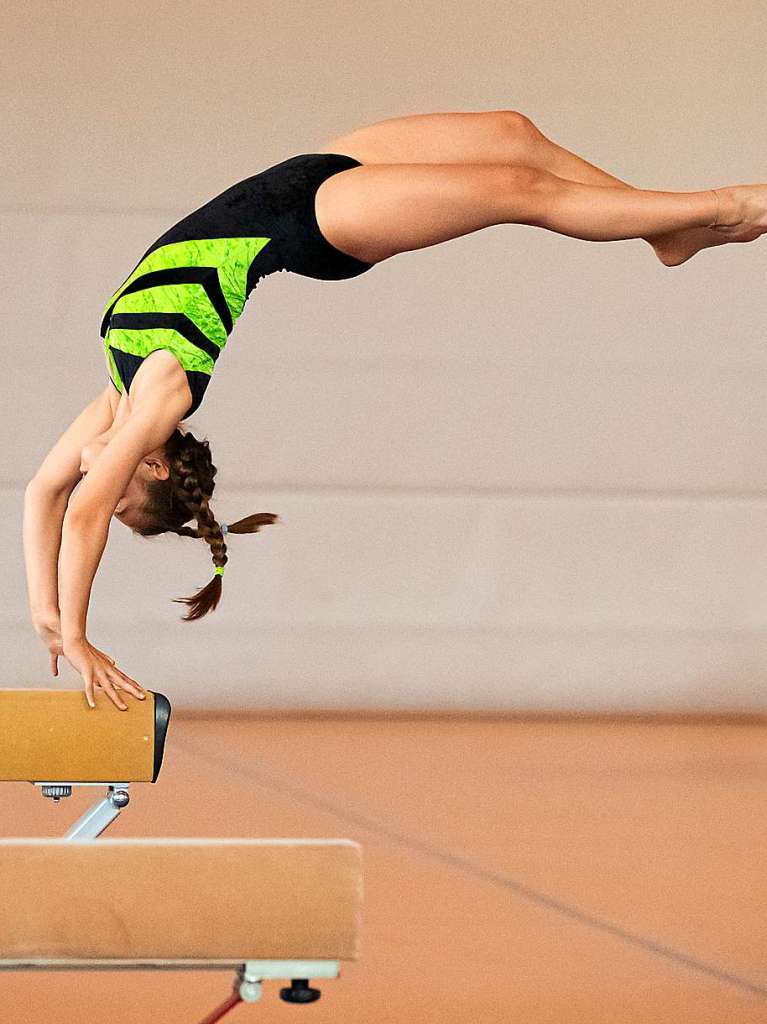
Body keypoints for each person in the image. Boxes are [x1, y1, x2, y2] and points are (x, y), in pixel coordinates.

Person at [22, 108, 767, 712]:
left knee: (512, 134)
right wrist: (84, 635)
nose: (103, 498)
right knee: (519, 189)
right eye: (123, 502)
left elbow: (45, 494)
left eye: (116, 509)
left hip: (308, 171)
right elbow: (80, 508)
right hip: (312, 223)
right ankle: (724, 206)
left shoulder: (114, 396)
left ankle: (662, 233)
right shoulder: (161, 395)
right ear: (150, 462)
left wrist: (48, 616)